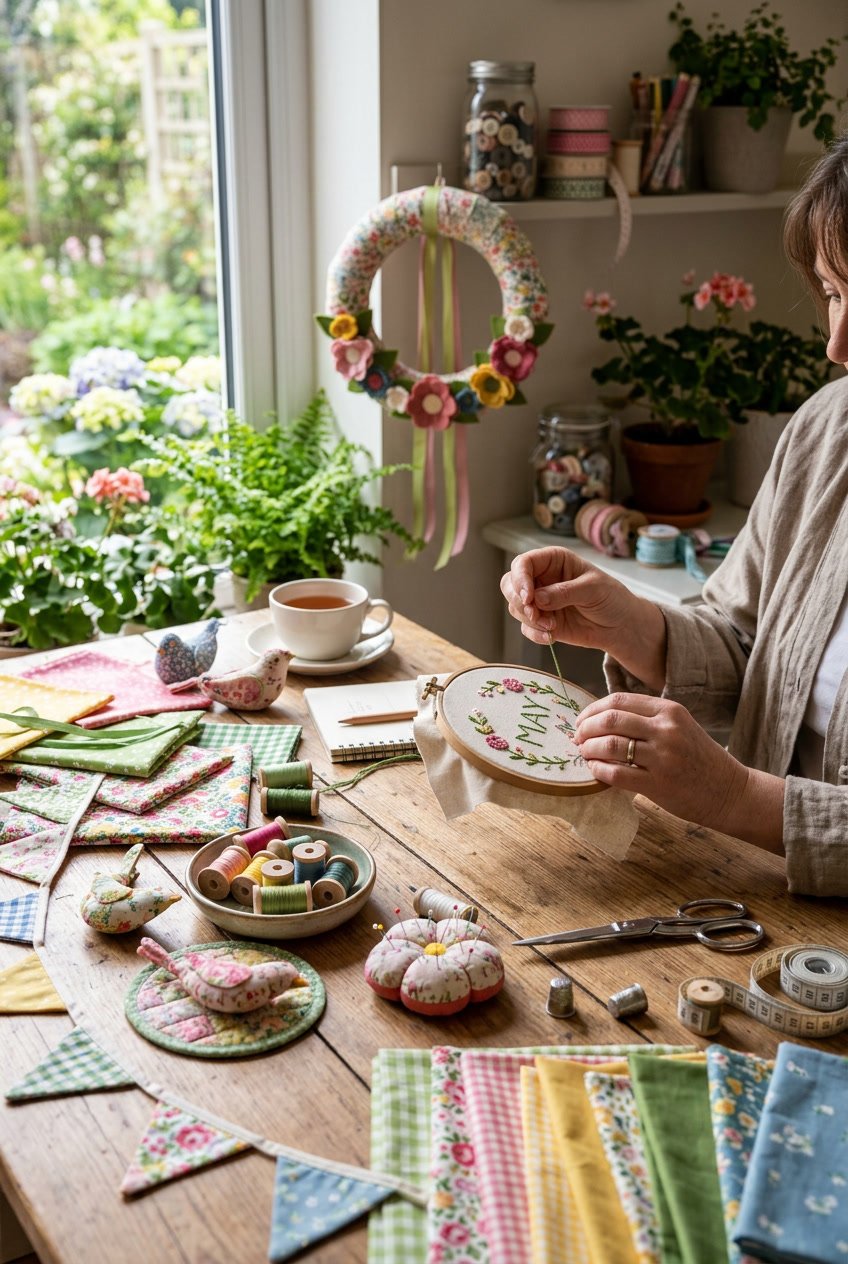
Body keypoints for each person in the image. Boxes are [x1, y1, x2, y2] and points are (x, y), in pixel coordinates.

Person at [501, 136, 848, 898]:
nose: (836, 343)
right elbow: (743, 641)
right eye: (832, 292)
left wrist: (734, 797)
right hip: (754, 894)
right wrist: (627, 622)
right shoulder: (829, 430)